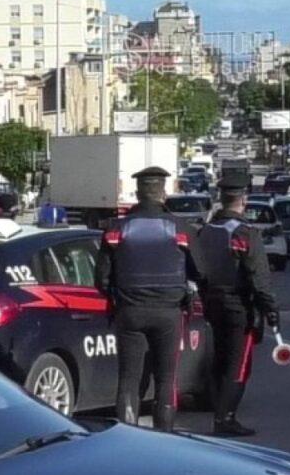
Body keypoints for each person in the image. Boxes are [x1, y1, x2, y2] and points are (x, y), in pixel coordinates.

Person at [101, 166, 197, 430]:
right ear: (163, 193)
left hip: (129, 311)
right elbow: (201, 271)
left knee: (128, 379)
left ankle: (127, 435)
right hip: (169, 313)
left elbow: (102, 279)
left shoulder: (116, 229)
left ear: (138, 193)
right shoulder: (180, 228)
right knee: (166, 378)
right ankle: (163, 436)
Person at [191, 178, 280, 437]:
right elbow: (258, 276)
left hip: (210, 303)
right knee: (238, 364)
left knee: (219, 359)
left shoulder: (205, 231)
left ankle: (220, 412)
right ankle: (225, 418)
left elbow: (195, 269)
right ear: (243, 201)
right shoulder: (244, 233)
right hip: (238, 306)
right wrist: (271, 308)